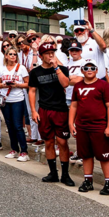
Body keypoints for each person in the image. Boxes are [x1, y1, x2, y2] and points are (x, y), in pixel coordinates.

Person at [69, 60, 109, 195]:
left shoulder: (103, 85)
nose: (89, 70)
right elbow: (74, 105)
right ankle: (88, 180)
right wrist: (71, 123)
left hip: (99, 126)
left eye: (92, 67)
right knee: (86, 155)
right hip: (82, 126)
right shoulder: (77, 86)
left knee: (104, 156)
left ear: (96, 70)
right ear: (82, 70)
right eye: (86, 68)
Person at [29, 42, 73, 185]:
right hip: (44, 109)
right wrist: (34, 111)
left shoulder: (62, 69)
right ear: (41, 56)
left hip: (60, 109)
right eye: (47, 53)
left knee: (62, 141)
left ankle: (65, 174)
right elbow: (32, 91)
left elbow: (65, 84)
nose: (50, 55)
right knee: (48, 141)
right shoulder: (35, 72)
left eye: (52, 52)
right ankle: (53, 172)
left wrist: (56, 68)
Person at [0, 47, 30, 161]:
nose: (12, 56)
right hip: (5, 99)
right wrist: (5, 84)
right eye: (10, 54)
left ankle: (24, 151)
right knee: (9, 126)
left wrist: (17, 85)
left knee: (18, 125)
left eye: (14, 54)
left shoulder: (21, 68)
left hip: (17, 99)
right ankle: (14, 149)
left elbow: (28, 83)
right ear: (6, 56)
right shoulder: (2, 68)